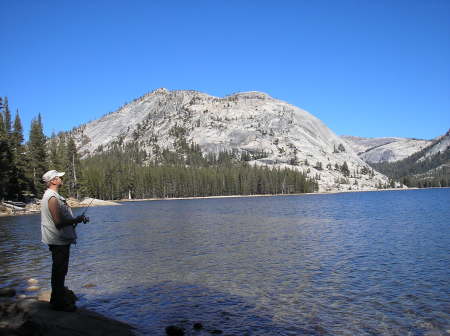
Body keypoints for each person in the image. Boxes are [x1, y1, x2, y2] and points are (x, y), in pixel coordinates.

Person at [41, 170, 89, 312]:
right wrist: (76, 219)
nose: (62, 179)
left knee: (60, 269)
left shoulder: (53, 196)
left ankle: (57, 298)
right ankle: (57, 302)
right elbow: (58, 222)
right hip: (58, 240)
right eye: (59, 177)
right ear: (53, 181)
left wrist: (75, 222)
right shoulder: (52, 197)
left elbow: (61, 222)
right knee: (59, 270)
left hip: (59, 239)